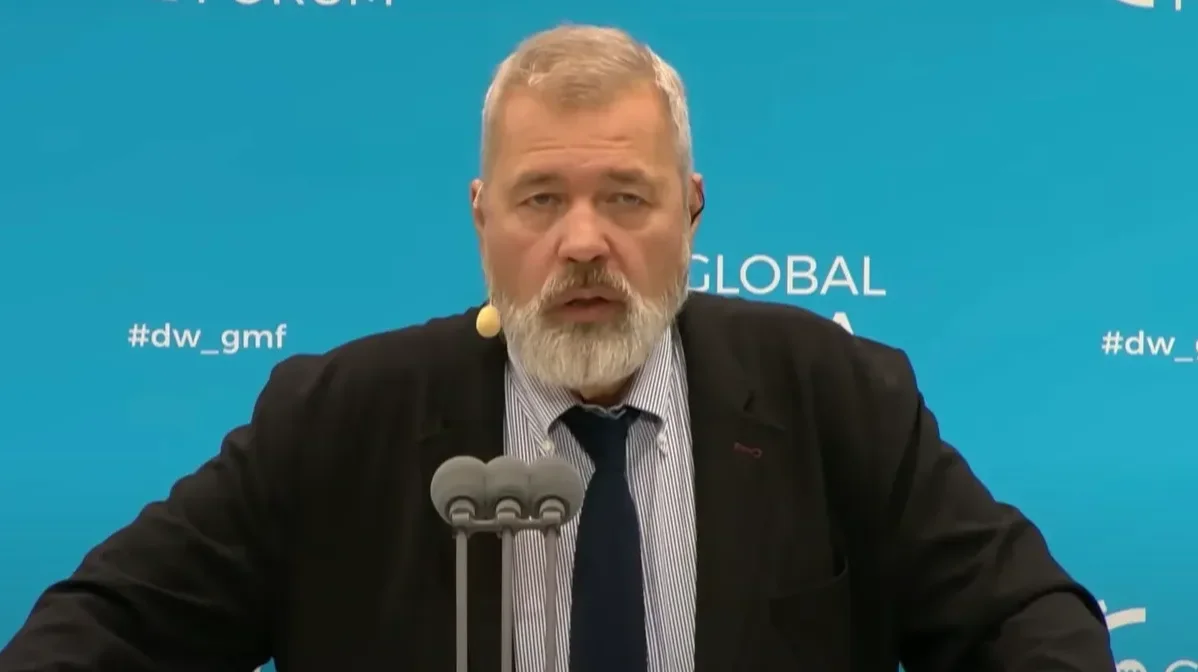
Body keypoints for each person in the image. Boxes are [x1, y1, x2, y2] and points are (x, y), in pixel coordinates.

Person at [0, 24, 1114, 672]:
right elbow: (103, 631)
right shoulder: (340, 418)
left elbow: (1029, 623)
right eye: (541, 199)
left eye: (625, 196)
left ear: (691, 211)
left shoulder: (834, 394)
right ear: (481, 217)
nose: (583, 242)